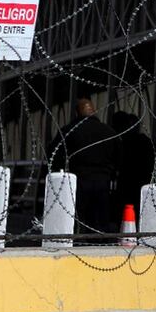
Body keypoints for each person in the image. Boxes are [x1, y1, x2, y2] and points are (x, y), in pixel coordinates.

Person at [47, 98, 119, 237]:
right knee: (99, 218)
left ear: (76, 113)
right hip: (103, 181)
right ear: (94, 111)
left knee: (76, 216)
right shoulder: (109, 131)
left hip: (78, 180)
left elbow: (54, 154)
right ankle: (98, 243)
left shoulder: (69, 131)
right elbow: (119, 157)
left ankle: (76, 241)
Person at [111, 111, 155, 218]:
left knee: (126, 212)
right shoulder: (146, 142)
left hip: (127, 183)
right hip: (143, 183)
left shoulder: (123, 144)